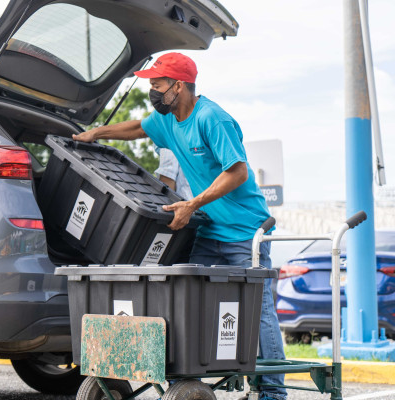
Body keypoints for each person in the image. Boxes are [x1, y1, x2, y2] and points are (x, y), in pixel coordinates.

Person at [73, 52, 286, 400]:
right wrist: (96, 133)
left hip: (246, 233)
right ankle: (189, 379)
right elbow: (137, 128)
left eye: (157, 85)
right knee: (188, 301)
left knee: (256, 313)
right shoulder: (168, 120)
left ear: (179, 86)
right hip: (209, 231)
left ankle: (274, 394)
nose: (152, 93)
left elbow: (238, 171)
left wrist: (192, 204)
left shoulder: (212, 118)